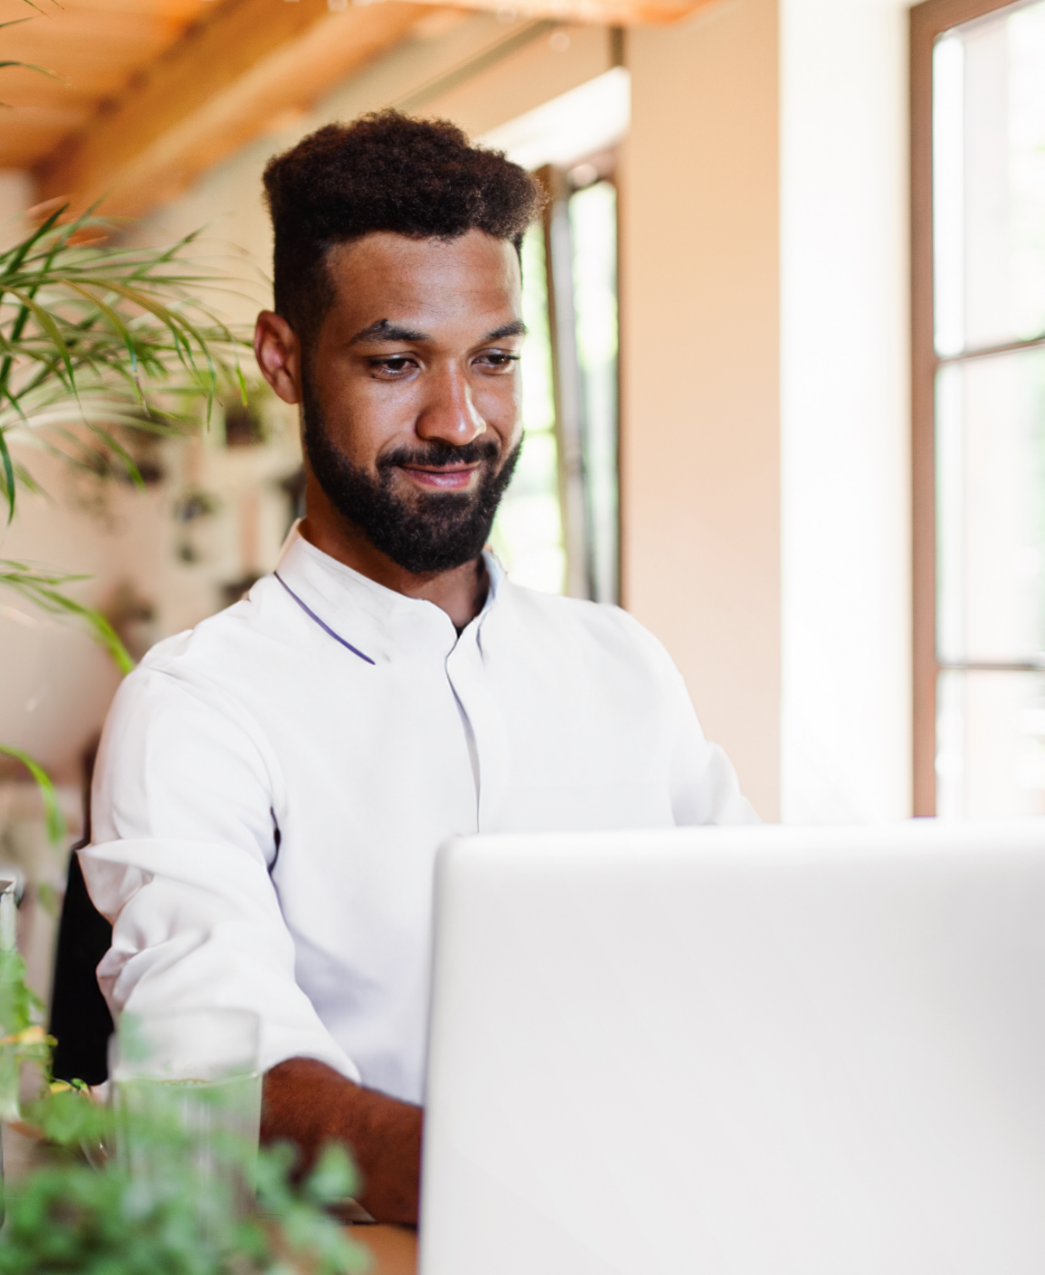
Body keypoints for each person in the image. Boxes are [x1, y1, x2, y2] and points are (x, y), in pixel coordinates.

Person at [81, 111, 756, 1226]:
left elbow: (762, 950)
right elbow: (216, 1079)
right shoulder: (197, 709)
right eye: (397, 362)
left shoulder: (623, 666)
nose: (459, 420)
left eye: (494, 360)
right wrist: (526, 1179)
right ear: (284, 360)